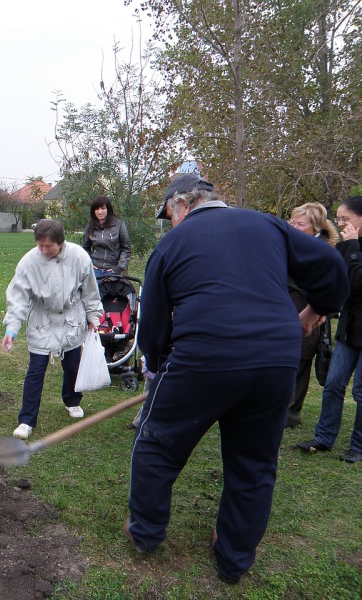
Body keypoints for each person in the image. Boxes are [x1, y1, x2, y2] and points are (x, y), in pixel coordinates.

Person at [126, 175, 348, 584]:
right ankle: (233, 558)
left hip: (204, 356)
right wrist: (317, 310)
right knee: (254, 464)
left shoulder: (171, 244)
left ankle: (146, 532)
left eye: (169, 214)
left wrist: (158, 367)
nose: (171, 222)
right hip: (276, 359)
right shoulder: (267, 224)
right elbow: (332, 264)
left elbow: (153, 323)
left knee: (157, 445)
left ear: (181, 205)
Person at [1, 220, 103, 439]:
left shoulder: (79, 257)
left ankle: (72, 400)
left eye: (49, 246)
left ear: (61, 242)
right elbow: (17, 298)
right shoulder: (29, 262)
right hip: (42, 321)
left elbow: (90, 291)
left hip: (71, 320)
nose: (44, 251)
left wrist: (94, 316)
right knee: (35, 371)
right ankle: (27, 420)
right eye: (41, 246)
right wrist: (12, 329)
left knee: (72, 366)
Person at [297, 196, 362, 463]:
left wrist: (352, 246)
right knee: (333, 384)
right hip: (349, 327)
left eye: (346, 218)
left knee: (360, 391)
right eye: (339, 218)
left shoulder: (351, 245)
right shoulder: (347, 246)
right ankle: (324, 437)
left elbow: (357, 282)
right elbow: (339, 280)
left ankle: (358, 446)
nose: (341, 223)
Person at [286, 203, 340, 427]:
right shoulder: (292, 246)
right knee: (288, 360)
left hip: (309, 313)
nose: (294, 227)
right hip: (288, 309)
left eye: (300, 224)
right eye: (292, 222)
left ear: (316, 228)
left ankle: (290, 413)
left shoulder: (323, 251)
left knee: (299, 362)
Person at [82, 195, 131, 276]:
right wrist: (89, 263)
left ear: (108, 209)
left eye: (103, 208)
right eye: (97, 209)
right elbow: (85, 248)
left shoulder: (119, 225)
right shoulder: (89, 227)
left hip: (113, 269)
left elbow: (126, 248)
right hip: (94, 269)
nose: (100, 212)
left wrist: (119, 268)